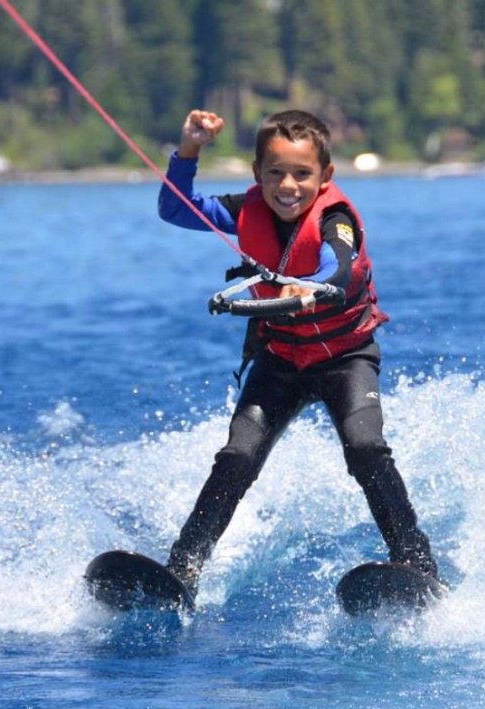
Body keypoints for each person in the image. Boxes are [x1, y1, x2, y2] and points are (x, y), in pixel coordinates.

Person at [157, 108, 439, 597]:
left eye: (302, 174)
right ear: (257, 174)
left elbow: (341, 267)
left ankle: (417, 565)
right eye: (275, 173)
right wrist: (189, 151)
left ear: (325, 176)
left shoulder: (336, 218)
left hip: (345, 359)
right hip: (281, 359)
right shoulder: (246, 210)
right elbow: (175, 209)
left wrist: (310, 289)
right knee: (235, 458)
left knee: (366, 449)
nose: (287, 185)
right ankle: (182, 571)